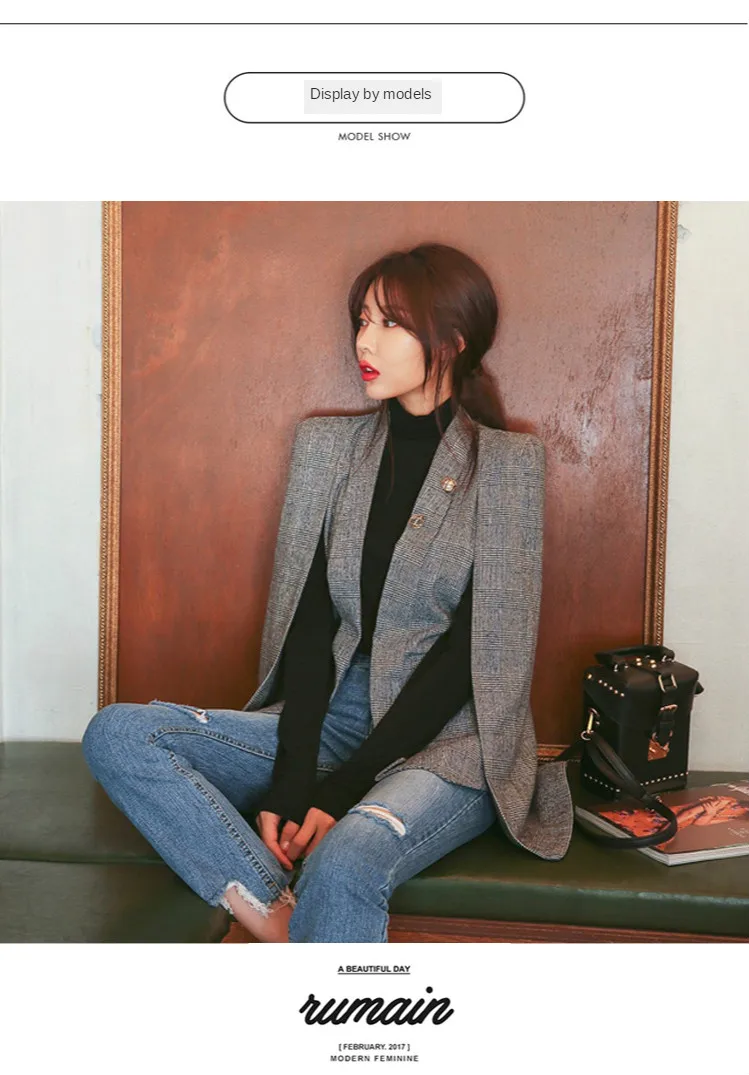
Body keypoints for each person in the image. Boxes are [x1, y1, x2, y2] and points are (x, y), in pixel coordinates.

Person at [82, 241, 566, 943]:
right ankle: (276, 917)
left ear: (454, 340)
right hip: (333, 716)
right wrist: (291, 780)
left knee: (343, 861)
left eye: (390, 323)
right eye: (362, 320)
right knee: (120, 733)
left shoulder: (507, 467)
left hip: (450, 743)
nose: (364, 341)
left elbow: (476, 657)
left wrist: (339, 791)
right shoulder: (328, 450)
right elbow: (308, 626)